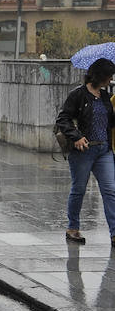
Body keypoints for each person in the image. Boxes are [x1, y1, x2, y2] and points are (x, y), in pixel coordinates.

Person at [56, 57, 115, 246]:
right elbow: (63, 119)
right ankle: (73, 228)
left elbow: (109, 122)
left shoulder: (105, 96)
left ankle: (114, 234)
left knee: (110, 190)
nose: (111, 80)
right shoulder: (78, 95)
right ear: (100, 76)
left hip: (104, 149)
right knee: (79, 189)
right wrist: (76, 136)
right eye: (109, 76)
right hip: (83, 150)